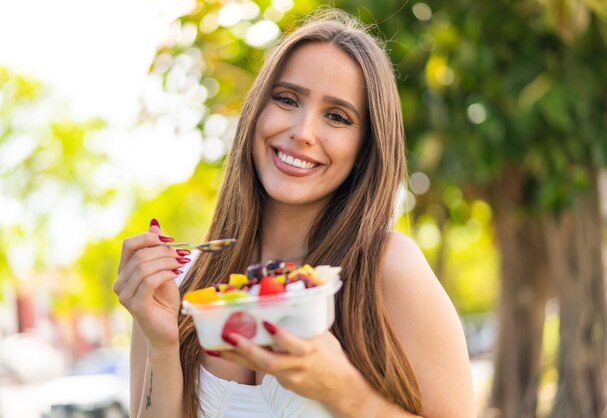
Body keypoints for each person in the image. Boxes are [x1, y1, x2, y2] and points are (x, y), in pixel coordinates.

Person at [114, 8, 475, 418]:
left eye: (337, 117)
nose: (302, 132)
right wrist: (161, 346)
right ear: (256, 112)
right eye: (287, 99)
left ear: (364, 149)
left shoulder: (389, 268)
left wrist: (346, 393)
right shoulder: (180, 286)